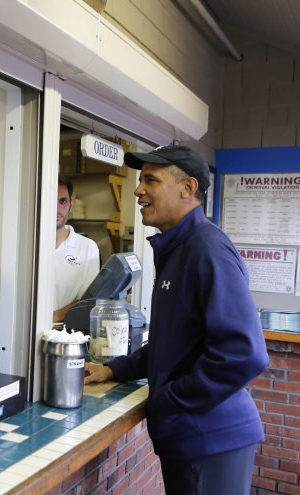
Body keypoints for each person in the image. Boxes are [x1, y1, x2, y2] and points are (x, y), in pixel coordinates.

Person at [84, 145, 268, 495]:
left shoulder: (206, 249)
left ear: (188, 188)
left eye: (150, 180)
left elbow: (244, 353)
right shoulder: (178, 249)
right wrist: (116, 369)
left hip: (209, 439)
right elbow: (175, 341)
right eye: (140, 181)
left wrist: (169, 399)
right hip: (195, 436)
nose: (138, 190)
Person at [53, 175, 100, 322]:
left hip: (67, 334)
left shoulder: (88, 248)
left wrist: (55, 315)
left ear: (71, 204)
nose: (57, 208)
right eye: (51, 200)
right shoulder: (27, 245)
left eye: (63, 201)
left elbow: (87, 301)